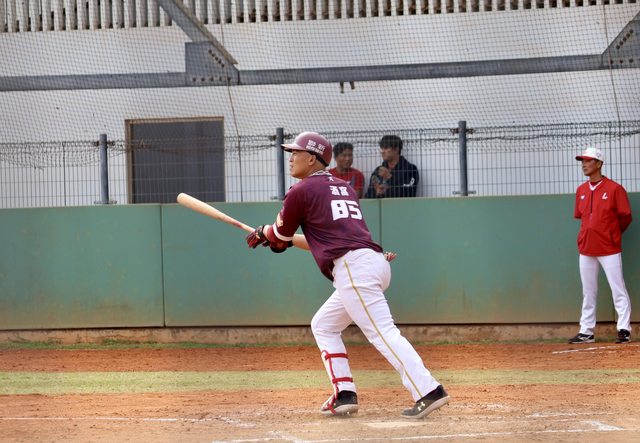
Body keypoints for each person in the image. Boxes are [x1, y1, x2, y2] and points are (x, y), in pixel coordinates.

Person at [245, 131, 449, 418]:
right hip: (370, 262)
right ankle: (344, 394)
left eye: (296, 152)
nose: (290, 158)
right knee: (324, 325)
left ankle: (428, 390)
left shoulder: (301, 191)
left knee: (383, 332)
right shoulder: (343, 187)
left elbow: (279, 235)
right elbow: (313, 240)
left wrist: (266, 233)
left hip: (353, 269)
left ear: (312, 159)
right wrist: (279, 238)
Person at [569, 147, 633, 345]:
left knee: (618, 289)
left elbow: (626, 217)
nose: (584, 164)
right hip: (586, 248)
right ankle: (586, 331)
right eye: (582, 161)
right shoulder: (581, 190)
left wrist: (612, 235)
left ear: (599, 163)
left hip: (608, 248)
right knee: (588, 291)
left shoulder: (615, 189)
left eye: (588, 161)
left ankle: (624, 329)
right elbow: (581, 217)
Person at [365, 134, 419, 198]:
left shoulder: (410, 169)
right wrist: (377, 192)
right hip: (382, 205)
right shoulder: (378, 171)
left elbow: (409, 193)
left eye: (386, 148)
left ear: (396, 149)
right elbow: (368, 196)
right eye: (382, 148)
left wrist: (390, 178)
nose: (382, 151)